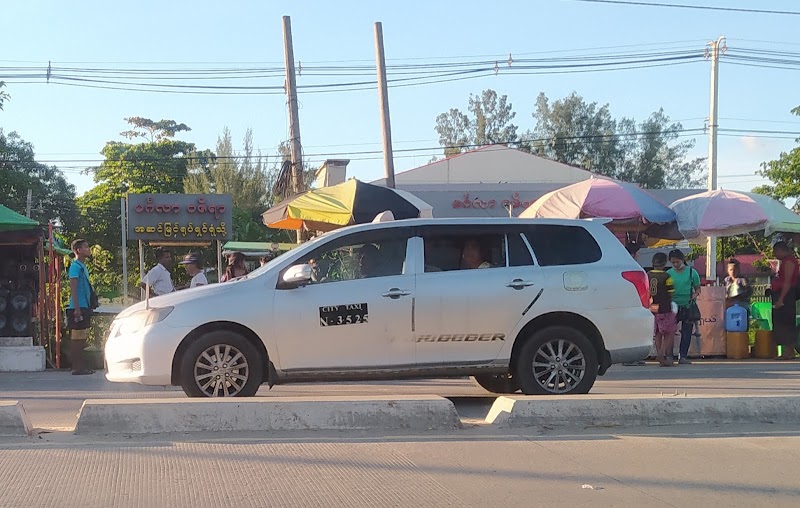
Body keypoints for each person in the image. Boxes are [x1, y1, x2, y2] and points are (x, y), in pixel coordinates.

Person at [66, 239, 94, 375]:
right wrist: (77, 308)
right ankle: (76, 366)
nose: (88, 249)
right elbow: (74, 288)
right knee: (76, 338)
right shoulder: (75, 267)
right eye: (86, 247)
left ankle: (81, 366)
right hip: (78, 306)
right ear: (78, 250)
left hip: (85, 305)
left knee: (82, 337)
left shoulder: (83, 267)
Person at [667, 249, 701, 365]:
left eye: (677, 262)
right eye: (673, 263)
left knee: (686, 332)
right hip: (672, 307)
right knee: (669, 332)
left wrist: (695, 295)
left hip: (688, 305)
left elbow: (697, 288)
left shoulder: (692, 272)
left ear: (682, 260)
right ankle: (669, 356)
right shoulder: (669, 274)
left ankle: (683, 356)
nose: (676, 265)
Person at [770, 242, 798, 360]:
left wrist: (781, 299)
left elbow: (787, 282)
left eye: (775, 252)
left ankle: (789, 351)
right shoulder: (785, 261)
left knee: (785, 322)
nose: (774, 254)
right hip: (781, 294)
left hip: (786, 296)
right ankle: (788, 350)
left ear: (781, 250)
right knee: (780, 322)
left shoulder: (789, 261)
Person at [649, 253, 676, 367]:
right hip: (665, 308)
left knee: (658, 332)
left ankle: (659, 351)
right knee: (669, 332)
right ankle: (661, 354)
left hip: (652, 307)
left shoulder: (648, 274)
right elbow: (671, 292)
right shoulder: (666, 277)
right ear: (665, 263)